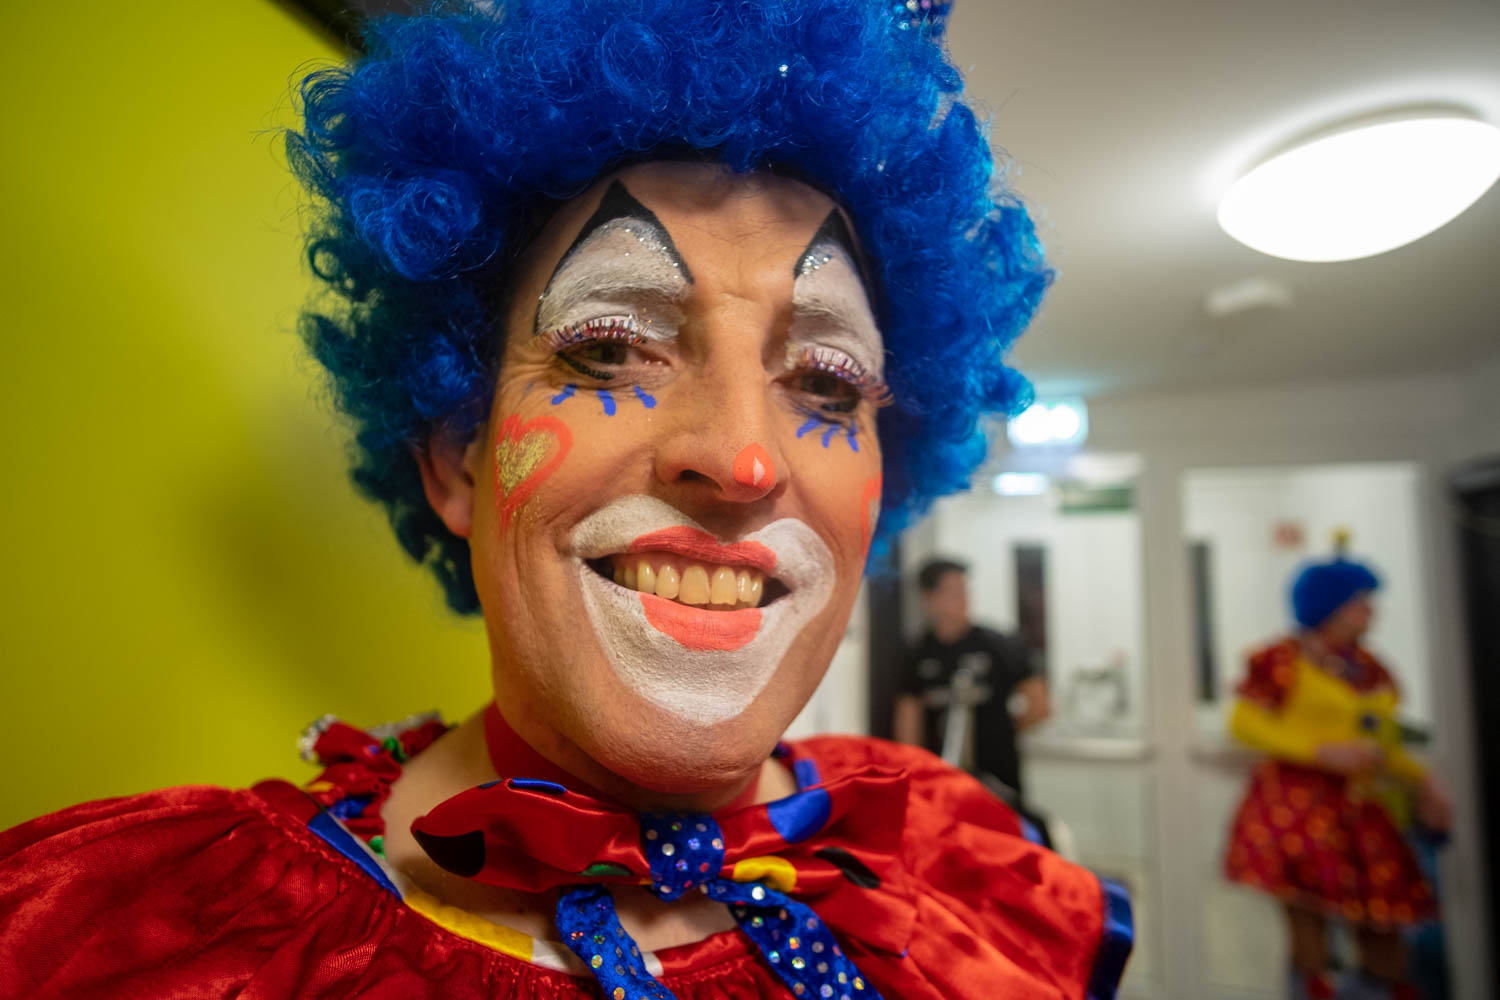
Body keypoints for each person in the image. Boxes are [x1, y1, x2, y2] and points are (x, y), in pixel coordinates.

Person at [0, 3, 1132, 998]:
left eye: (828, 379)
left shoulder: (963, 875)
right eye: (610, 345)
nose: (742, 459)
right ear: (459, 456)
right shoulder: (143, 937)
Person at [1223, 537, 1451, 1000]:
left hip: (1361, 813)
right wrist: (1320, 751)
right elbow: (1244, 722)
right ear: (1329, 607)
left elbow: (1382, 742)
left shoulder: (1369, 668)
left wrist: (1422, 781)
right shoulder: (1283, 660)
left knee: (1384, 928)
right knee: (1310, 937)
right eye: (1360, 603)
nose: (1371, 612)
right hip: (1296, 815)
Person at [893, 558, 1050, 800]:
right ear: (929, 598)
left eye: (965, 590)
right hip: (942, 782)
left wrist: (1001, 731)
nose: (963, 599)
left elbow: (1040, 705)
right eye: (953, 592)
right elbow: (908, 725)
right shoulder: (917, 655)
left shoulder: (1000, 646)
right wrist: (915, 776)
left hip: (999, 779)